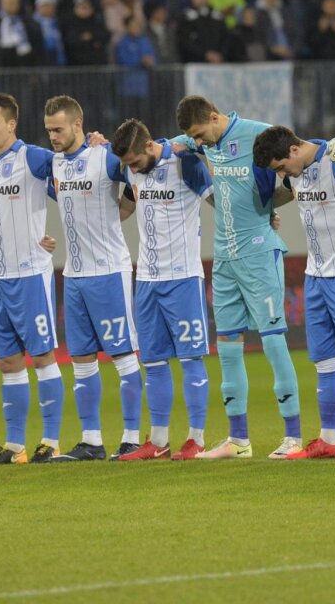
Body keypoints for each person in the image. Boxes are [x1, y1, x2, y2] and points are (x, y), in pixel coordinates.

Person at [173, 95, 302, 459]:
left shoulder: (259, 135)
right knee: (228, 349)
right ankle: (238, 440)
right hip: (225, 257)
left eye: (200, 134)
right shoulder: (197, 141)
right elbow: (167, 145)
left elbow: (300, 156)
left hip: (259, 253)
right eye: (193, 138)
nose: (198, 143)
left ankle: (293, 438)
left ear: (215, 117)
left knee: (275, 343)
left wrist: (270, 207)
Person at [252, 126, 335, 460]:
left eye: (282, 167)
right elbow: (275, 197)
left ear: (293, 151)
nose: (283, 175)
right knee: (324, 362)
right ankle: (329, 439)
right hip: (316, 276)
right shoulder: (296, 173)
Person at [44, 96, 144, 462]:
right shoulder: (52, 164)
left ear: (77, 123)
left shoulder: (105, 157)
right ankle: (91, 441)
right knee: (82, 359)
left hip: (108, 270)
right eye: (48, 131)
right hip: (74, 274)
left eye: (58, 129)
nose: (53, 137)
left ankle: (132, 438)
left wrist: (120, 214)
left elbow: (140, 173)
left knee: (123, 355)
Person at [110, 119, 214, 461]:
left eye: (135, 162)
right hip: (148, 282)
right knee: (152, 361)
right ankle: (157, 441)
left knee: (190, 358)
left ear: (150, 145)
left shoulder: (185, 164)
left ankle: (196, 438)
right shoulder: (131, 169)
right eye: (127, 165)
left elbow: (220, 202)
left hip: (183, 278)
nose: (132, 169)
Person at [0, 93, 65, 464]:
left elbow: (74, 182)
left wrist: (62, 235)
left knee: (43, 356)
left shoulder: (33, 157)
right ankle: (15, 445)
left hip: (29, 275)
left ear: (12, 124)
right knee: (9, 363)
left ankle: (52, 440)